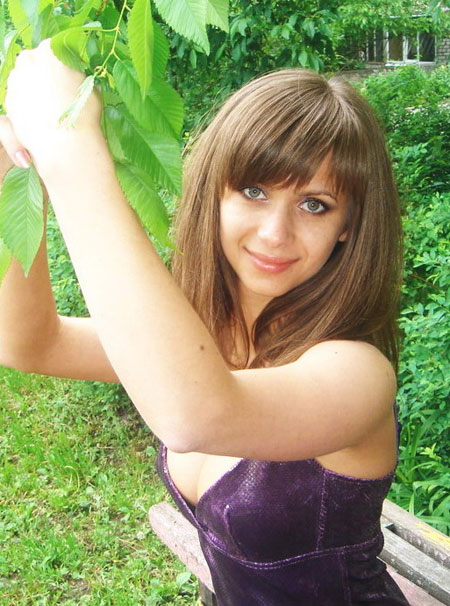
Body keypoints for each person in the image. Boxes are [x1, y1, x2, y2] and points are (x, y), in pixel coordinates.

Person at [0, 40, 409, 604]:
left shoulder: (357, 374)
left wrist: (69, 149)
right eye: (254, 190)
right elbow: (30, 343)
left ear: (348, 228)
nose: (275, 233)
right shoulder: (209, 338)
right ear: (213, 191)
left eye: (315, 204)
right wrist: (11, 174)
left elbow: (193, 415)